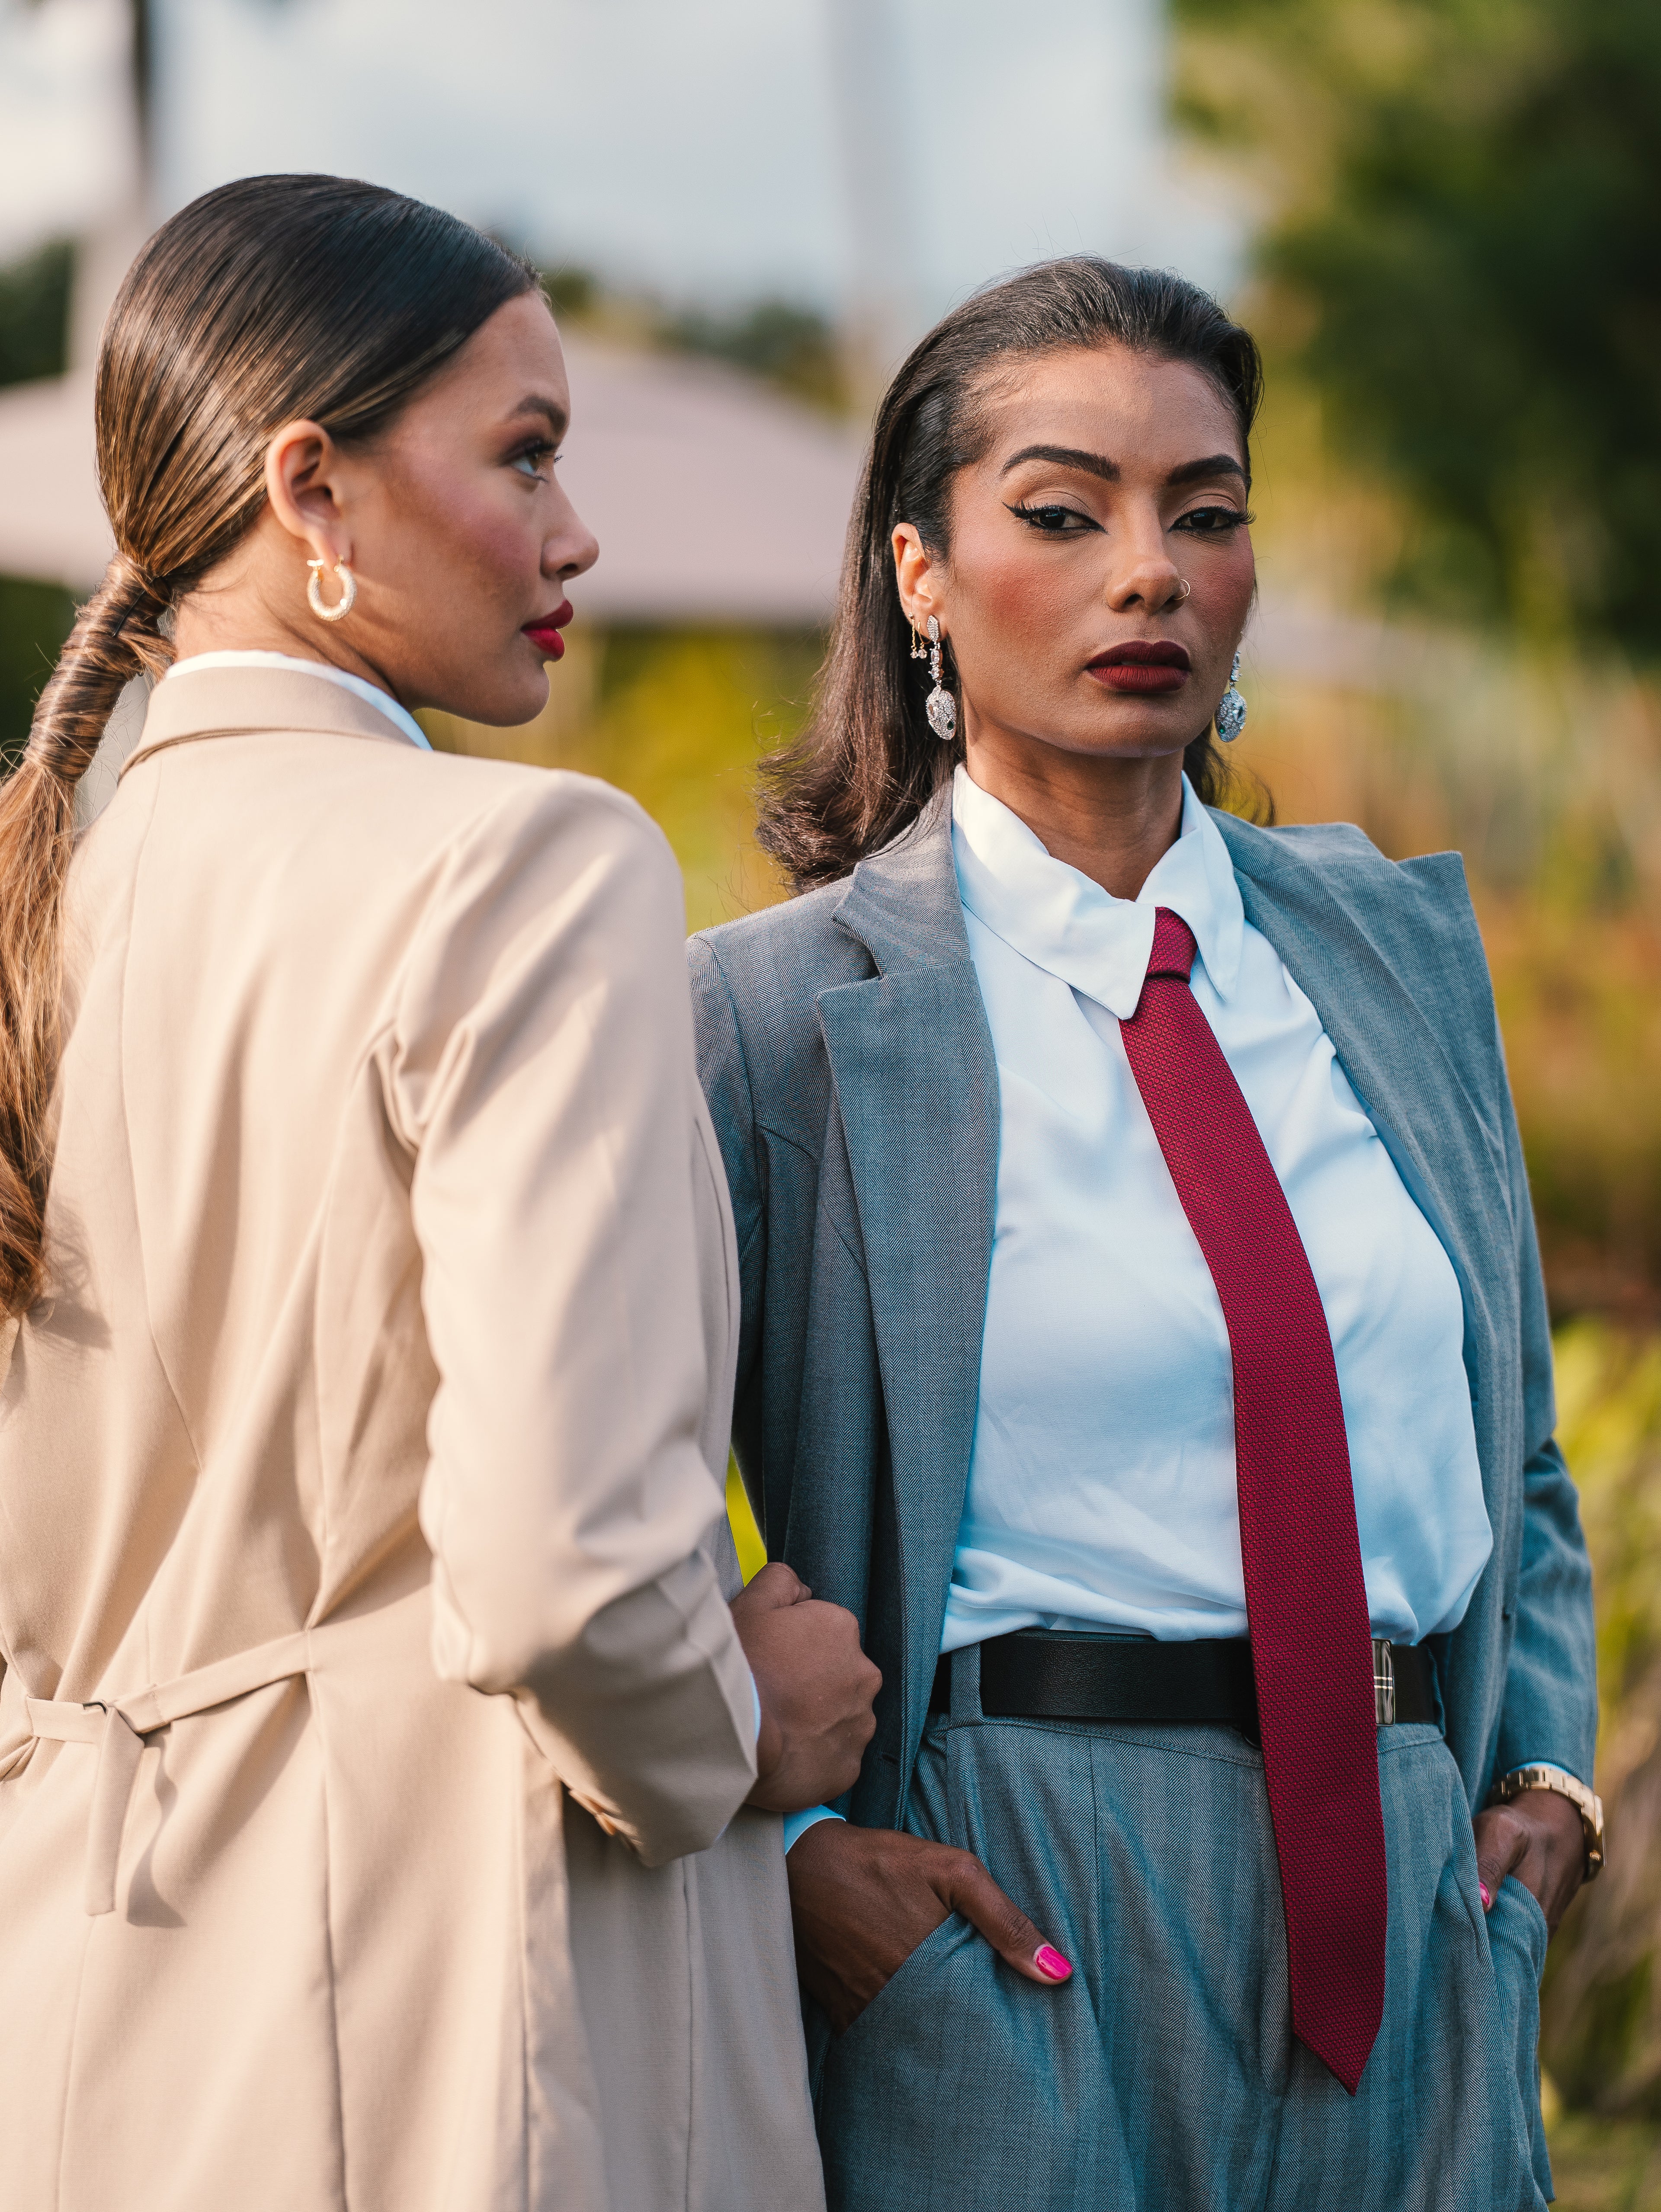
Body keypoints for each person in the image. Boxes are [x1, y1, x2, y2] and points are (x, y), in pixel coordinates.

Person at [0, 174, 877, 2212]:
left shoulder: (36, 900)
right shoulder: (522, 870)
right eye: (528, 455)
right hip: (454, 2038)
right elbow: (573, 1575)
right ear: (310, 487)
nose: (579, 535)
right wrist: (739, 1723)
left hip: (78, 2029)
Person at [689, 258, 1601, 2211]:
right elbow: (602, 1501)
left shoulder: (1396, 950)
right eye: (1062, 509)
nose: (1152, 570)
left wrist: (1551, 1785)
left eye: (1207, 509)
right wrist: (787, 1861)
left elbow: (1509, 1432)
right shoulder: (773, 1021)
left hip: (1425, 1881)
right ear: (920, 572)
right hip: (1019, 1889)